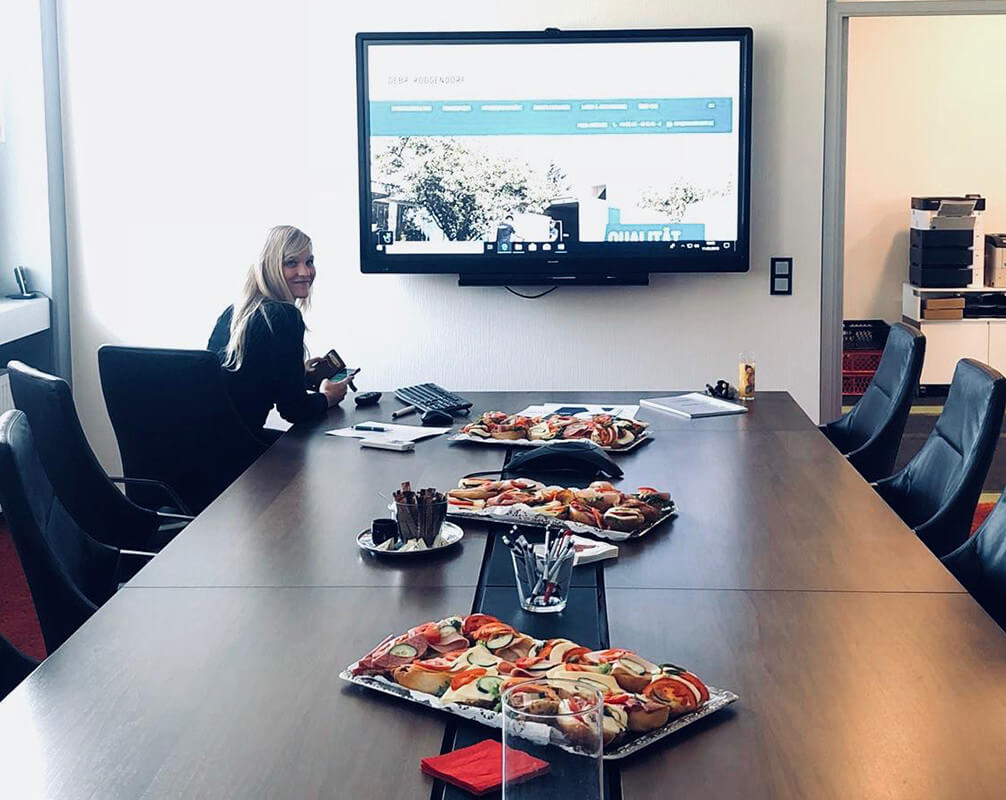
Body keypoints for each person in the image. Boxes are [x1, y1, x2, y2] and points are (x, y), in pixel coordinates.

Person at [208, 225, 350, 440]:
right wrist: (328, 397)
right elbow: (295, 410)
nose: (305, 272)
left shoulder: (235, 312)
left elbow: (240, 380)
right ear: (270, 267)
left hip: (207, 441)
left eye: (309, 262)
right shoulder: (284, 316)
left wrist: (296, 372)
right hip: (239, 446)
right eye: (291, 263)